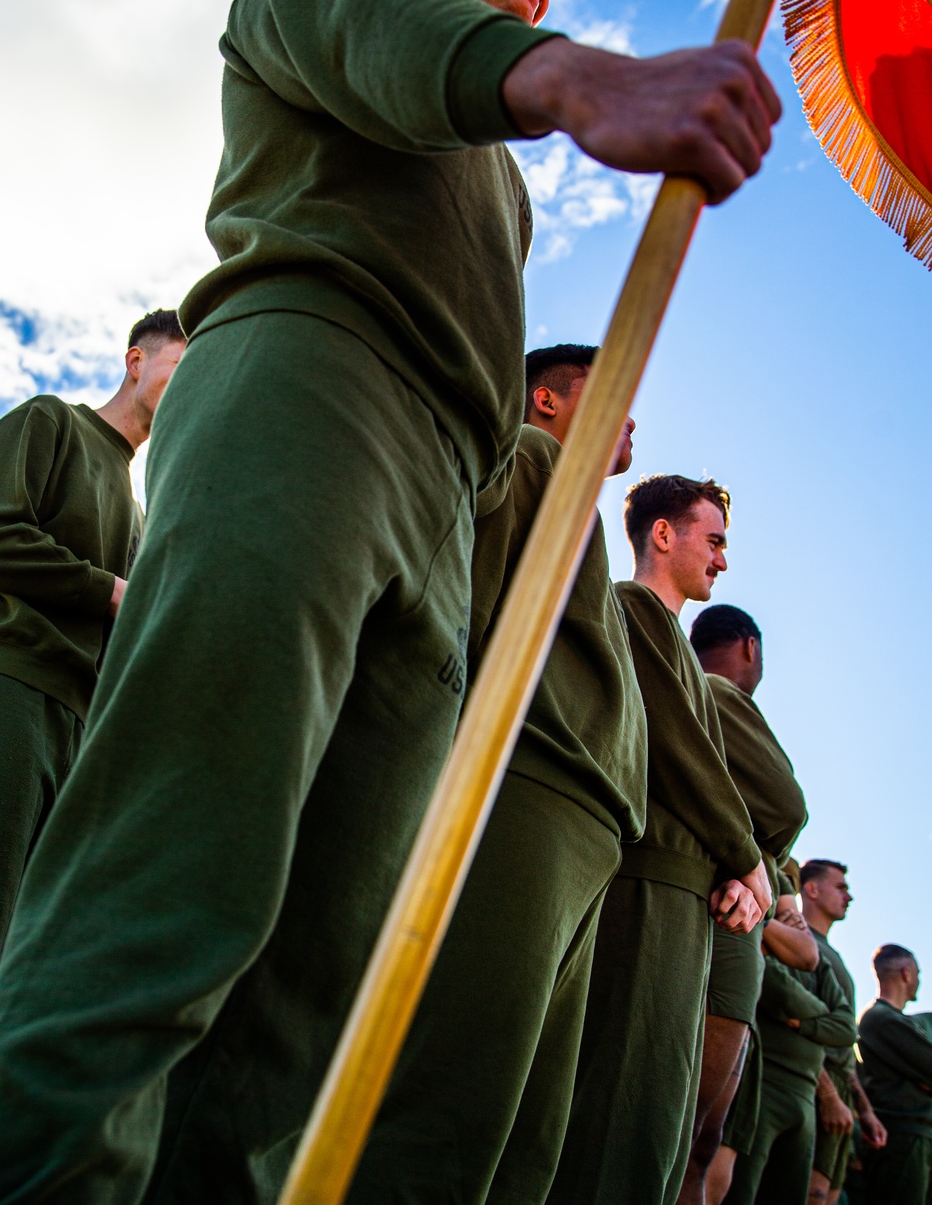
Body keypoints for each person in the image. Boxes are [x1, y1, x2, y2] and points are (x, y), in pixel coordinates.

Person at [0, 0, 780, 1205]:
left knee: (321, 971)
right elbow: (380, 36)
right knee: (181, 856)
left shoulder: (498, 191)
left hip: (440, 492)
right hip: (313, 378)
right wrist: (580, 81)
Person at [346, 344, 644, 1203]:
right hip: (526, 794)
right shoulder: (529, 457)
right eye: (607, 389)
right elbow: (461, 623)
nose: (630, 413)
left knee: (528, 1134)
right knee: (454, 1108)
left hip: (591, 833)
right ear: (546, 400)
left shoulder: (576, 504)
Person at [0, 309, 184, 1194]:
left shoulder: (150, 515)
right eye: (187, 355)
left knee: (10, 967)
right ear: (137, 359)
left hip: (77, 732)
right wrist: (112, 591)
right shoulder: (47, 423)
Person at [550, 476, 772, 1205]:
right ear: (663, 535)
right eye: (714, 540)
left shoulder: (668, 635)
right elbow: (681, 752)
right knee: (624, 1115)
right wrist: (747, 857)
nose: (723, 560)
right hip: (644, 887)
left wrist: (736, 867)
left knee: (657, 1122)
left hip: (684, 891)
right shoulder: (633, 607)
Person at [678, 604, 808, 1204]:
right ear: (750, 648)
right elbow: (787, 806)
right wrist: (758, 864)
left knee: (696, 1139)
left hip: (718, 913)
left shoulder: (682, 680)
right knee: (689, 1135)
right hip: (719, 926)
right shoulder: (719, 694)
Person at [725, 888, 856, 1205]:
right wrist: (825, 1017)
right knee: (741, 1190)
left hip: (804, 1094)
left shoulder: (820, 961)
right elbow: (778, 988)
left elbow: (847, 1028)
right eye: (839, 887)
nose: (848, 895)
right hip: (764, 1081)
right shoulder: (764, 938)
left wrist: (804, 1022)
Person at [707, 864, 820, 1205]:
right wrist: (772, 926)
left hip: (737, 1023)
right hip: (705, 994)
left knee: (708, 1151)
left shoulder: (776, 876)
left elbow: (805, 952)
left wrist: (756, 915)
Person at [800, 860, 887, 1203]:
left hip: (840, 1091)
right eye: (840, 887)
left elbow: (842, 1042)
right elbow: (798, 1026)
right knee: (812, 1194)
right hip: (811, 1085)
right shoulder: (802, 944)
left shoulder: (833, 953)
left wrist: (863, 1107)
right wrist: (828, 1096)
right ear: (812, 889)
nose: (848, 896)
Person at [857, 945, 932, 1203]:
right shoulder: (880, 1019)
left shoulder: (898, 1022)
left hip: (915, 1137)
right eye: (918, 973)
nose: (920, 980)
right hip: (901, 1139)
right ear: (906, 973)